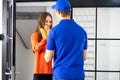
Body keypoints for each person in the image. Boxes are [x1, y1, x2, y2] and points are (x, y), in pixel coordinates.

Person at [44, 0, 88, 80]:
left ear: (58, 12)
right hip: (78, 75)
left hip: (61, 75)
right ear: (70, 12)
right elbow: (84, 57)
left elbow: (47, 58)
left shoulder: (54, 31)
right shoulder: (82, 31)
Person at [31, 12, 53, 80]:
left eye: (50, 22)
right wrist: (45, 39)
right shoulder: (35, 35)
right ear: (41, 21)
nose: (49, 24)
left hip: (51, 71)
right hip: (39, 71)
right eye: (46, 21)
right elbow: (35, 48)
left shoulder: (52, 35)